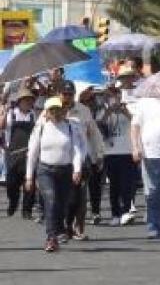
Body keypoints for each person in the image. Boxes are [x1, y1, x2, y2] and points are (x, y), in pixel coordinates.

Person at [25, 97, 85, 252]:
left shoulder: (71, 127)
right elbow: (32, 153)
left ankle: (59, 229)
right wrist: (29, 176)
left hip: (65, 170)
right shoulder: (41, 128)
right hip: (45, 171)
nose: (56, 113)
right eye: (52, 110)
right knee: (51, 200)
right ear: (46, 113)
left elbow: (77, 149)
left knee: (63, 204)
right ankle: (51, 237)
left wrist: (77, 169)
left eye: (58, 109)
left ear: (63, 111)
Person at [61, 81, 104, 241]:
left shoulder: (83, 110)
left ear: (74, 95)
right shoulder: (53, 109)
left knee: (80, 197)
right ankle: (63, 228)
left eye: (70, 94)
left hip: (81, 158)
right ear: (60, 94)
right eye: (64, 94)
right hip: (61, 160)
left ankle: (79, 228)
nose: (67, 97)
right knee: (65, 197)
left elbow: (94, 133)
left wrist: (99, 154)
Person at [132, 97, 160, 238]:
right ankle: (154, 225)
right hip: (151, 154)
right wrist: (135, 147)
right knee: (153, 192)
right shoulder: (144, 102)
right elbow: (135, 126)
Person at [98, 83, 139, 226]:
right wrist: (109, 111)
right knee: (114, 185)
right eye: (110, 96)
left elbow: (136, 122)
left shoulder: (129, 109)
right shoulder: (103, 112)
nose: (113, 99)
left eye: (116, 96)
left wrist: (124, 110)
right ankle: (115, 214)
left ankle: (126, 211)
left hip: (127, 151)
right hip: (110, 153)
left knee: (127, 185)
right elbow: (98, 125)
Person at [4, 88, 37, 218]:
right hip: (12, 153)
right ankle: (13, 202)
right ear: (19, 101)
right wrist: (4, 111)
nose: (28, 102)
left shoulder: (33, 115)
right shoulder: (11, 113)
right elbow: (2, 127)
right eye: (26, 100)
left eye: (30, 100)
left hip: (29, 153)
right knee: (12, 183)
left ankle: (27, 210)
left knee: (30, 181)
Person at [79, 87, 106, 224]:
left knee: (94, 185)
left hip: (90, 153)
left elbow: (95, 134)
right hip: (72, 156)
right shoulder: (63, 109)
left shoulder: (88, 110)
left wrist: (100, 153)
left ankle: (95, 212)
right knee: (77, 190)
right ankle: (76, 218)